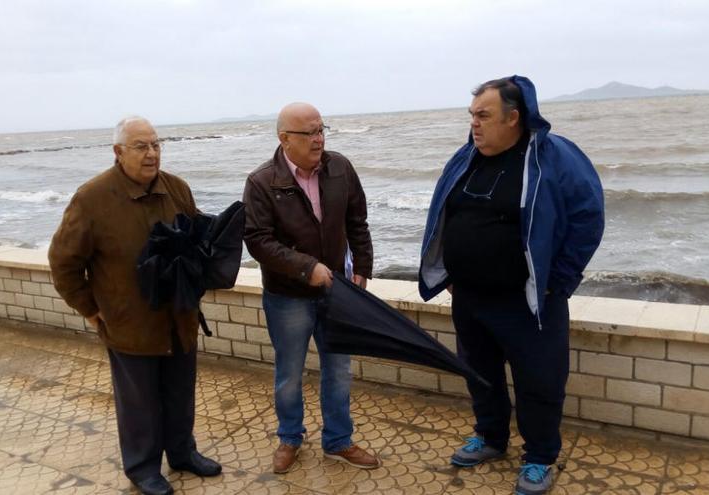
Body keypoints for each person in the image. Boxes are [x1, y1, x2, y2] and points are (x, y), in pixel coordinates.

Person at [418, 76, 604, 495]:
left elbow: (588, 217)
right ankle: (490, 438)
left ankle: (539, 458)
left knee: (539, 382)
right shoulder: (466, 157)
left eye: (484, 116)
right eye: (472, 116)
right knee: (479, 374)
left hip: (530, 303)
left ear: (514, 117)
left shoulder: (554, 158)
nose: (475, 125)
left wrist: (559, 281)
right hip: (470, 298)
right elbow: (443, 216)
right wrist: (448, 270)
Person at [48, 116, 221, 495]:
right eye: (141, 146)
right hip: (129, 323)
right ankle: (143, 468)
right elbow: (63, 264)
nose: (152, 153)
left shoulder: (177, 189)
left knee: (179, 392)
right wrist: (90, 309)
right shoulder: (91, 198)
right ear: (118, 152)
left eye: (156, 144)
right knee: (139, 403)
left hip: (179, 316)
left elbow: (195, 245)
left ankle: (182, 452)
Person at [243, 102, 379, 474]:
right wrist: (308, 269)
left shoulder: (341, 168)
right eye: (310, 133)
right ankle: (290, 438)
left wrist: (362, 272)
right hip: (288, 298)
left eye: (322, 130)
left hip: (337, 293)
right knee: (289, 374)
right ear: (284, 139)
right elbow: (257, 241)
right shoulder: (261, 182)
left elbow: (358, 223)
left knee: (338, 370)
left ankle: (338, 440)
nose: (319, 139)